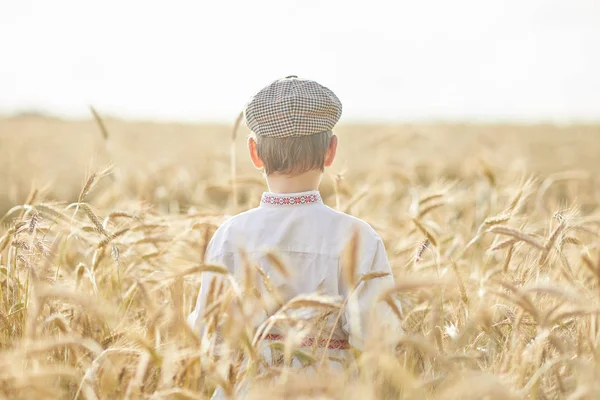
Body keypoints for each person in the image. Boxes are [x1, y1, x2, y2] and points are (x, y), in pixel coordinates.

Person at [187, 75, 401, 397]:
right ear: (331, 151)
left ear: (254, 153)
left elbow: (206, 335)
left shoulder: (229, 237)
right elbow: (379, 341)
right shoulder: (359, 238)